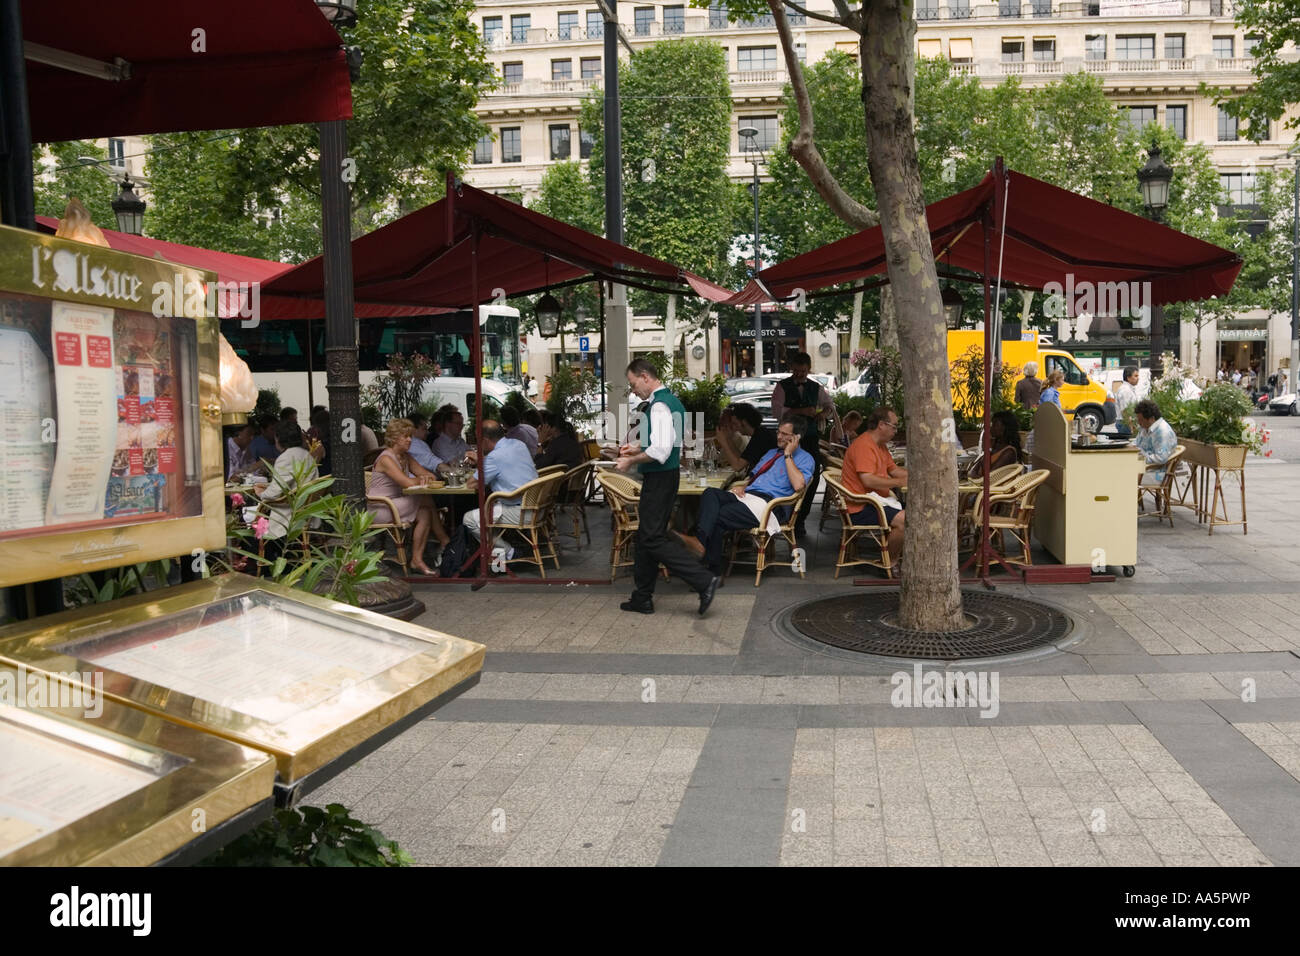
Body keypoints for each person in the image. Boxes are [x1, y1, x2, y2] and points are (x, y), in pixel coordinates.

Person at [615, 358, 720, 616]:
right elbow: (667, 440)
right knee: (646, 537)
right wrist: (637, 446)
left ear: (645, 377)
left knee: (651, 538)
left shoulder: (659, 406)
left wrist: (631, 460)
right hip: (667, 476)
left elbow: (660, 451)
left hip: (659, 477)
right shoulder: (672, 402)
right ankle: (642, 597)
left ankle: (703, 580)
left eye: (633, 383)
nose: (633, 390)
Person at [680, 417, 814, 576]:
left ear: (796, 437)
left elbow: (799, 485)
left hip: (770, 506)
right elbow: (754, 477)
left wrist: (787, 455)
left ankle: (709, 566)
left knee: (717, 516)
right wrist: (743, 486)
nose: (778, 436)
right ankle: (701, 544)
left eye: (785, 434)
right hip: (749, 496)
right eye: (778, 432)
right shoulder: (771, 453)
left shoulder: (806, 459)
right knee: (710, 493)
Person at [367, 419, 451, 576]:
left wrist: (424, 478)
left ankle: (417, 560)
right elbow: (406, 483)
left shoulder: (405, 456)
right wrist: (421, 480)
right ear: (394, 438)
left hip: (396, 503)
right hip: (381, 507)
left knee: (425, 512)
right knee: (424, 499)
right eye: (405, 436)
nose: (410, 440)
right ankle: (444, 540)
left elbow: (430, 476)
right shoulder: (386, 458)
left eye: (410, 436)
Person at [769, 352, 836, 535]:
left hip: (810, 438)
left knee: (812, 478)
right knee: (786, 476)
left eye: (803, 371)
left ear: (809, 369)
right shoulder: (782, 387)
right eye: (797, 371)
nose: (799, 374)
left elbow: (830, 405)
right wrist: (801, 410)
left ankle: (801, 519)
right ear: (792, 368)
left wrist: (824, 413)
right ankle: (784, 516)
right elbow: (777, 412)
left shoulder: (816, 387)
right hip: (788, 439)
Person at [840, 407, 908, 567]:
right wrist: (899, 483)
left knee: (920, 512)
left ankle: (902, 556)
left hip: (876, 502)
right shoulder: (864, 445)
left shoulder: (881, 446)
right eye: (894, 426)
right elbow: (868, 480)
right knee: (904, 521)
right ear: (881, 425)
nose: (895, 430)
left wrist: (919, 478)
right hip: (860, 507)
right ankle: (889, 563)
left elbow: (894, 470)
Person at [462, 419, 539, 560]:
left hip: (521, 512)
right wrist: (482, 462)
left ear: (484, 440)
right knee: (491, 508)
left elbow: (472, 484)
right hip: (538, 507)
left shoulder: (493, 458)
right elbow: (505, 462)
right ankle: (498, 563)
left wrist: (481, 462)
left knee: (469, 519)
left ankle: (508, 553)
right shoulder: (519, 444)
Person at [244, 419, 319, 545]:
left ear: (278, 439)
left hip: (289, 517)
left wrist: (260, 493)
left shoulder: (287, 457)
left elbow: (275, 493)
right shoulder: (306, 454)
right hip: (305, 511)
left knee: (246, 521)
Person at [715, 402, 777, 475]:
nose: (734, 428)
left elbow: (737, 467)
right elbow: (740, 459)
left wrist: (723, 442)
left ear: (744, 422)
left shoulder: (761, 437)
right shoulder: (759, 433)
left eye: (735, 423)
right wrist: (728, 439)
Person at [1134, 399, 1178, 485]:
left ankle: (1128, 497)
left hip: (1155, 473)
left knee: (1120, 475)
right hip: (1143, 468)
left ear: (1151, 419)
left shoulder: (1162, 432)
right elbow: (1137, 442)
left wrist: (1140, 458)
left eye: (1141, 420)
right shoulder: (1146, 428)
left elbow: (1160, 458)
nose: (1139, 423)